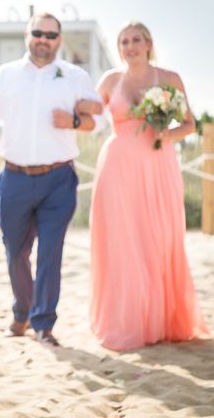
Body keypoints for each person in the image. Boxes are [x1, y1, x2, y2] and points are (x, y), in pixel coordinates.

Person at [0, 12, 104, 346]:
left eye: (51, 34)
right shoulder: (6, 75)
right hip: (14, 178)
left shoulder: (74, 76)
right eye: (38, 33)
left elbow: (99, 121)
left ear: (59, 40)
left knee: (50, 253)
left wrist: (74, 121)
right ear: (27, 35)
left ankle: (43, 323)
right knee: (15, 250)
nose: (44, 39)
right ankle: (22, 312)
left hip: (59, 178)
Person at [89, 21, 210, 350]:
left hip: (157, 165)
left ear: (148, 43)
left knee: (157, 238)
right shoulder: (110, 80)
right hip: (117, 166)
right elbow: (90, 116)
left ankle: (160, 320)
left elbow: (190, 124)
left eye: (136, 39)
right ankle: (127, 320)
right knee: (122, 239)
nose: (130, 46)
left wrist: (166, 134)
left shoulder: (169, 78)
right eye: (124, 41)